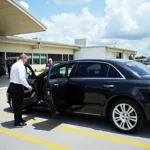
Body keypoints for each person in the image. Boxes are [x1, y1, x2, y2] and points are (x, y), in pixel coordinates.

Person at [10, 54, 32, 127]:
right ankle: (17, 122)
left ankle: (20, 119)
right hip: (18, 87)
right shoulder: (21, 66)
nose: (26, 61)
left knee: (16, 105)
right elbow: (22, 78)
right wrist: (28, 86)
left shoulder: (14, 65)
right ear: (23, 58)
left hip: (13, 86)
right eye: (26, 59)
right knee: (18, 105)